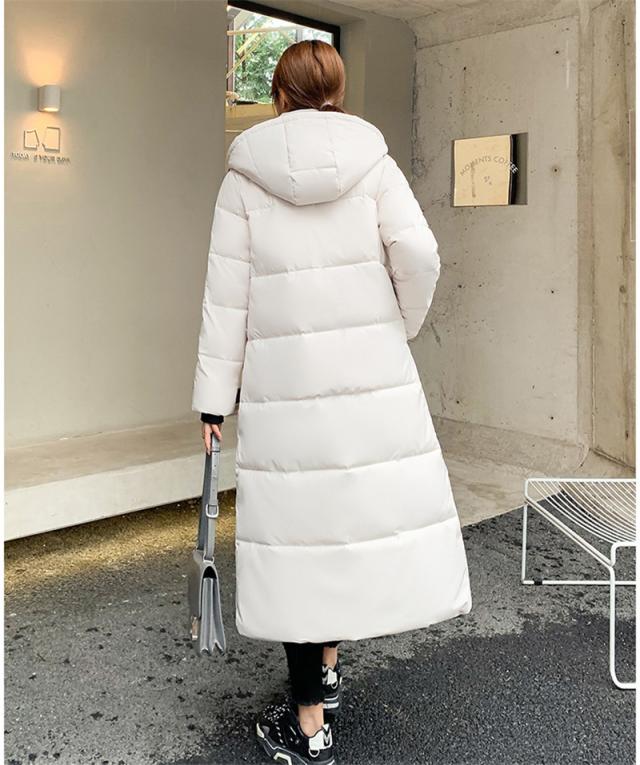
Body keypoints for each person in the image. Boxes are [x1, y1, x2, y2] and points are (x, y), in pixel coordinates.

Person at [192, 39, 472, 765]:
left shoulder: (243, 178)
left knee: (299, 543)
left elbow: (226, 298)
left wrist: (214, 402)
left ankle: (309, 724)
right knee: (346, 524)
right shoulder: (373, 165)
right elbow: (421, 255)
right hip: (368, 375)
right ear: (338, 91)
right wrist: (398, 324)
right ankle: (328, 670)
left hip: (285, 389)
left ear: (278, 93)